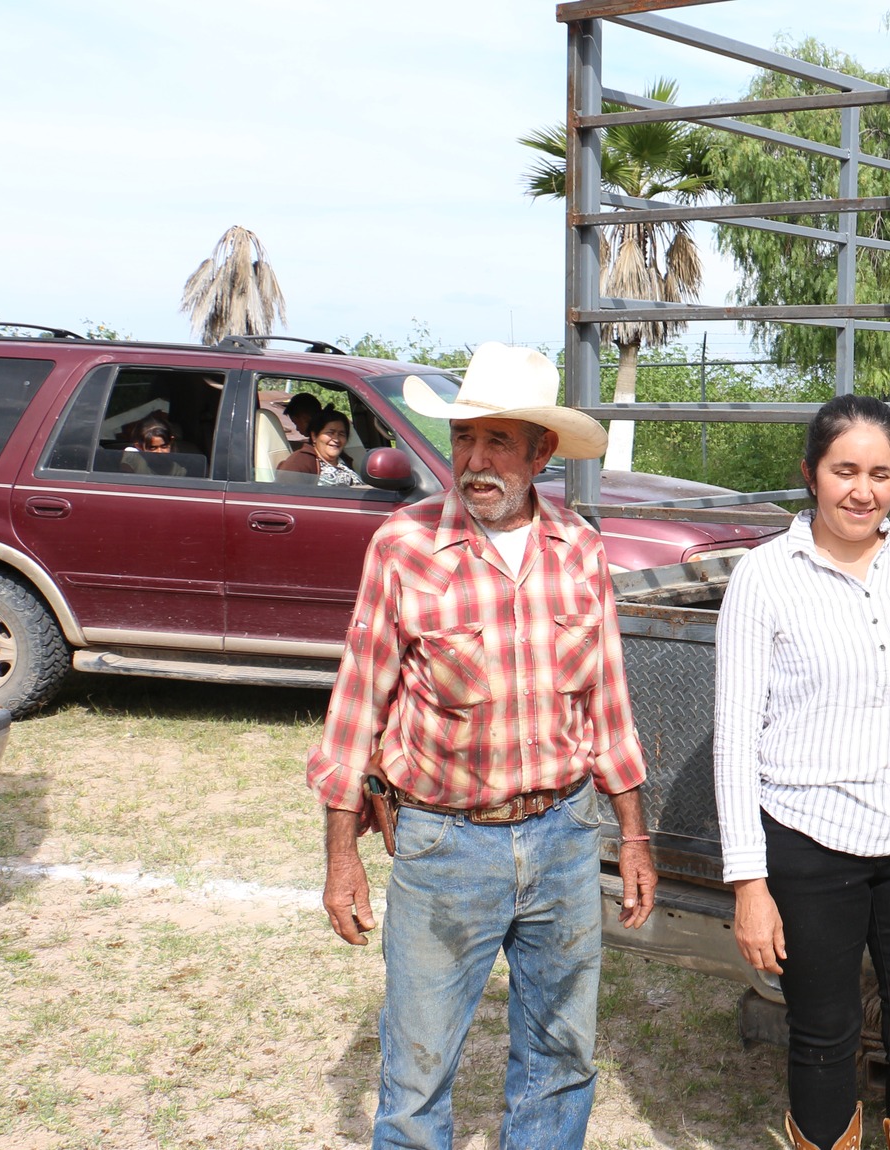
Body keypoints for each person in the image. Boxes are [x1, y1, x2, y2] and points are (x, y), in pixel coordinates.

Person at [306, 342, 659, 1150]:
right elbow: (358, 703)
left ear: (541, 452)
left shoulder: (582, 551)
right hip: (443, 843)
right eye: (466, 438)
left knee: (561, 1057)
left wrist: (632, 833)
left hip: (565, 838)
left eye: (499, 441)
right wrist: (340, 856)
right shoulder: (403, 546)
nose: (476, 460)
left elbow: (608, 705)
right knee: (417, 1073)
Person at [714, 394, 890, 1150]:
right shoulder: (765, 577)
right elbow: (735, 738)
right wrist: (750, 883)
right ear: (811, 473)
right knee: (822, 1033)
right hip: (810, 838)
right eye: (845, 471)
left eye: (880, 473)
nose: (862, 490)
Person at [278, 407, 359, 486]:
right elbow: (284, 493)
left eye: (341, 434)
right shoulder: (300, 462)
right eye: (330, 433)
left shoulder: (344, 460)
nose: (336, 439)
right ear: (314, 436)